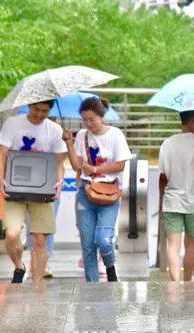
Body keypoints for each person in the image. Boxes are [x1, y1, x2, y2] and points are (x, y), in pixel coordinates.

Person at [0, 100, 66, 284]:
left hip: (42, 191)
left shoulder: (55, 130)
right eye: (36, 109)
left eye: (44, 111)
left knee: (40, 240)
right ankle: (19, 266)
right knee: (12, 235)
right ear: (29, 106)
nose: (39, 114)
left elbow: (60, 162)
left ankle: (37, 286)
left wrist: (59, 181)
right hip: (15, 188)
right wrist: (1, 179)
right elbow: (2, 153)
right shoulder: (13, 123)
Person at [62, 97, 131, 282]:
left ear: (101, 116)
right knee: (87, 245)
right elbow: (77, 166)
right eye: (84, 119)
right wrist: (69, 143)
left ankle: (109, 265)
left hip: (109, 192)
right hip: (86, 192)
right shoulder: (82, 136)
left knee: (103, 240)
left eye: (92, 119)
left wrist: (96, 169)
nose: (88, 123)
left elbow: (121, 165)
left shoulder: (115, 134)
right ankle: (92, 287)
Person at [158, 110, 194, 282]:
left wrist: (161, 201)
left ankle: (175, 283)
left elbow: (162, 177)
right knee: (191, 244)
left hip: (171, 201)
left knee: (173, 245)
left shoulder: (167, 143)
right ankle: (187, 281)